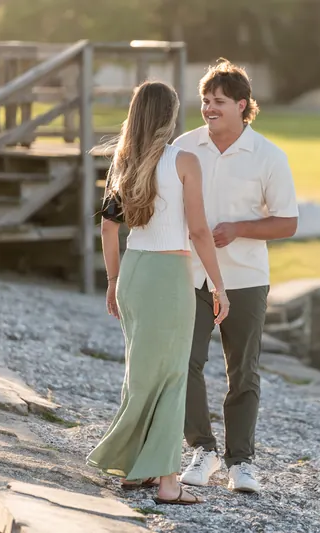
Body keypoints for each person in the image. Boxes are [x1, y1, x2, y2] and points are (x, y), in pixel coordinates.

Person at [86, 80, 230, 506]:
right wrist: (219, 285)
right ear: (169, 116)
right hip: (169, 275)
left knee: (142, 374)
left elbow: (109, 227)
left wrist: (113, 281)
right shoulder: (184, 161)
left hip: (133, 271)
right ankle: (169, 483)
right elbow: (200, 231)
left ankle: (136, 470)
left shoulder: (122, 161)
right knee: (170, 376)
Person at [174, 59, 299, 493]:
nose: (209, 108)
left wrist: (239, 229)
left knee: (242, 372)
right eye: (205, 101)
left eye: (219, 102)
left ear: (243, 105)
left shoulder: (268, 155)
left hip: (245, 278)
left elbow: (287, 223)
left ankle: (240, 462)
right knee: (184, 364)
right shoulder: (185, 147)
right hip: (190, 276)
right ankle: (202, 450)